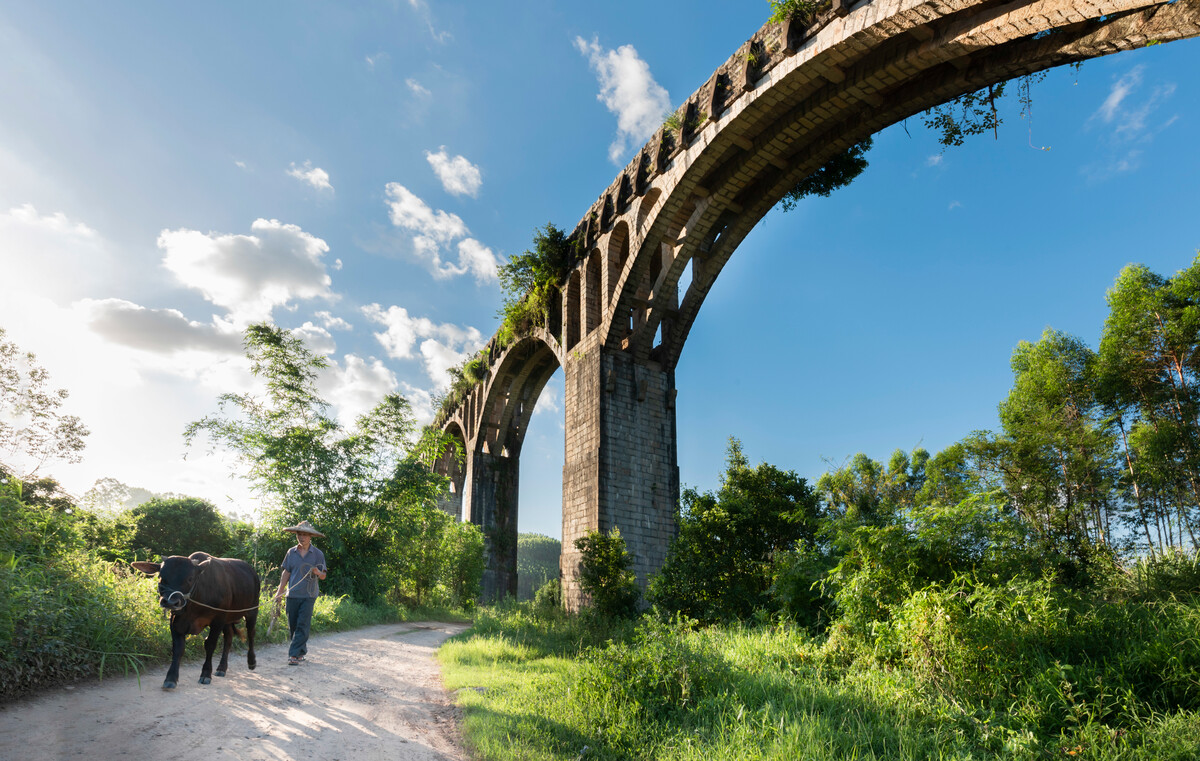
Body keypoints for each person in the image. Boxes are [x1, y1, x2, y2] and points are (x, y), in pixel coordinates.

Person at [274, 520, 328, 665]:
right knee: (293, 625)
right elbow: (286, 572)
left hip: (309, 595)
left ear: (310, 536)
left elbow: (323, 575)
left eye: (304, 535)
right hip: (292, 594)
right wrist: (280, 591)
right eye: (299, 534)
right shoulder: (291, 552)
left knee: (302, 625)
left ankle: (293, 655)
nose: (302, 537)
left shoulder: (317, 554)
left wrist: (317, 572)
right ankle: (300, 652)